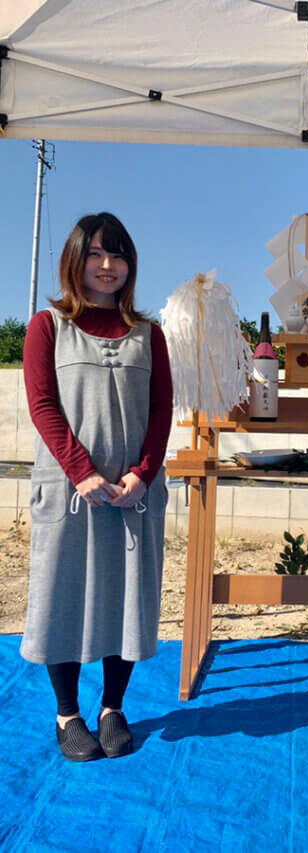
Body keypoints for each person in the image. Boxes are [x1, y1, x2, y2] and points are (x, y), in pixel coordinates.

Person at [21, 212, 173, 762]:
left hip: (133, 495)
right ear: (75, 260)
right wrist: (80, 470)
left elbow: (161, 410)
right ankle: (68, 714)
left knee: (125, 594)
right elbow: (43, 404)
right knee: (62, 592)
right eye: (96, 254)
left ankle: (113, 708)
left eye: (118, 255)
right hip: (69, 491)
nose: (108, 266)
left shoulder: (149, 334)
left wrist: (142, 473)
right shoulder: (47, 326)